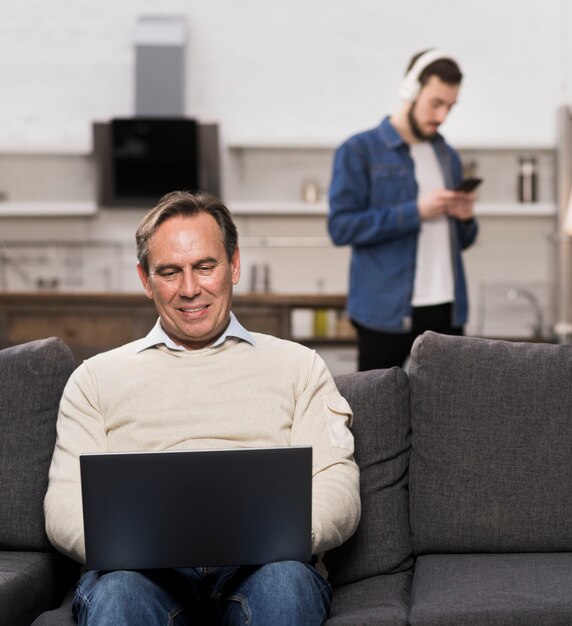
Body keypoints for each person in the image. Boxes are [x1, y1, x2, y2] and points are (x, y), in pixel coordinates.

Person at [44, 190, 361, 625]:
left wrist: (274, 535)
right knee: (118, 593)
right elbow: (64, 502)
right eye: (170, 272)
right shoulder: (94, 380)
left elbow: (336, 483)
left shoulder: (298, 366)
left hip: (266, 564)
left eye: (205, 267)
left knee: (286, 586)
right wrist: (140, 543)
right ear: (145, 279)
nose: (190, 289)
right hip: (140, 571)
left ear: (233, 265)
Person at [328, 48, 479, 371]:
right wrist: (416, 211)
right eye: (435, 103)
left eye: (449, 107)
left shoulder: (447, 155)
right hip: (385, 310)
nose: (441, 117)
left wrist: (465, 220)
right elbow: (340, 227)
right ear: (410, 91)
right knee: (378, 410)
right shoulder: (359, 150)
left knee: (448, 413)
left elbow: (462, 241)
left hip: (446, 307)